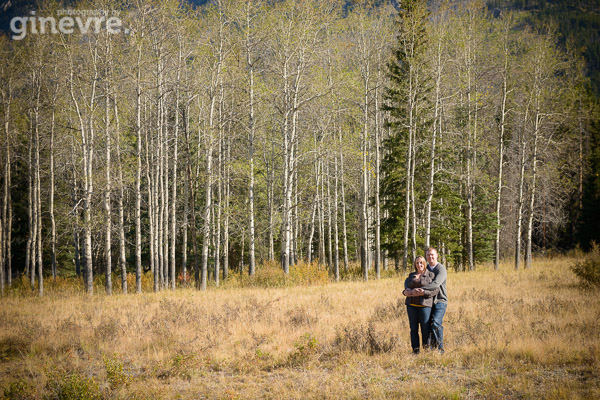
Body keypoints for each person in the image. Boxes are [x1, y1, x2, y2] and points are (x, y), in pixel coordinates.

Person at [403, 247, 447, 354]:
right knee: (427, 326)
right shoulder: (426, 269)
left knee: (435, 323)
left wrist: (420, 291)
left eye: (432, 255)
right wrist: (406, 291)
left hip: (439, 300)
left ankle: (440, 349)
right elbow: (408, 281)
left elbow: (436, 285)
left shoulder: (440, 269)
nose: (430, 257)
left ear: (437, 255)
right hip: (428, 302)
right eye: (428, 255)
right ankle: (429, 349)